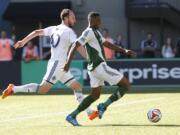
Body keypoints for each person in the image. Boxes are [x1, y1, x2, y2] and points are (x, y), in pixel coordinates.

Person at [1, 9, 97, 120]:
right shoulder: (68, 31)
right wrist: (90, 59)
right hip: (56, 65)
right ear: (65, 18)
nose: (74, 20)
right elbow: (78, 46)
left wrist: (23, 41)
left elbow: (37, 32)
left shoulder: (54, 28)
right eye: (72, 17)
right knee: (43, 89)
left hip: (61, 65)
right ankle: (14, 89)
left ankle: (90, 112)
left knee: (77, 86)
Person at [63, 12, 136, 126]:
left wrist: (123, 50)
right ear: (92, 21)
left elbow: (107, 44)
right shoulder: (88, 32)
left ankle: (72, 115)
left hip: (94, 69)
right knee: (126, 85)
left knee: (95, 95)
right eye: (98, 21)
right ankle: (103, 106)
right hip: (99, 66)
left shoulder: (96, 32)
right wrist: (68, 63)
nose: (100, 22)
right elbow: (75, 45)